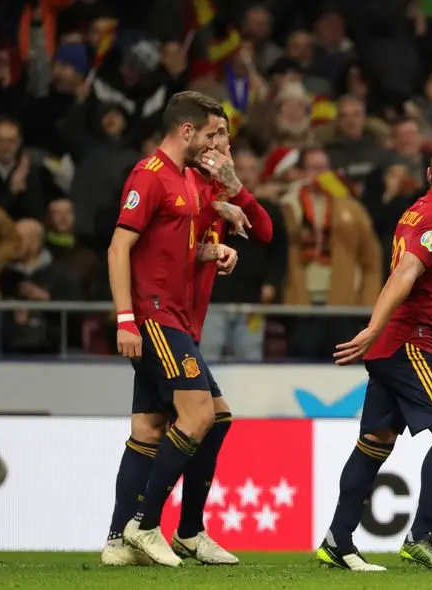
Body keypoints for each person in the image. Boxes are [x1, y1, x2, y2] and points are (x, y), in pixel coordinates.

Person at [315, 142, 432, 571]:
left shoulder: (417, 211)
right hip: (408, 343)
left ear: (430, 175)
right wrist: (375, 327)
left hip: (392, 345)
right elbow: (406, 273)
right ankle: (420, 536)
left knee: (374, 444)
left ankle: (337, 540)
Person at [100, 114, 272, 566]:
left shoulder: (202, 189)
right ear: (192, 132)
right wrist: (125, 318)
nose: (221, 147)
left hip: (182, 321)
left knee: (149, 429)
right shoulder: (161, 178)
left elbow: (263, 232)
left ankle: (120, 539)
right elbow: (123, 248)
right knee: (204, 417)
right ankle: (150, 524)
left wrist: (222, 225)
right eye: (216, 136)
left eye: (227, 140)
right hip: (159, 316)